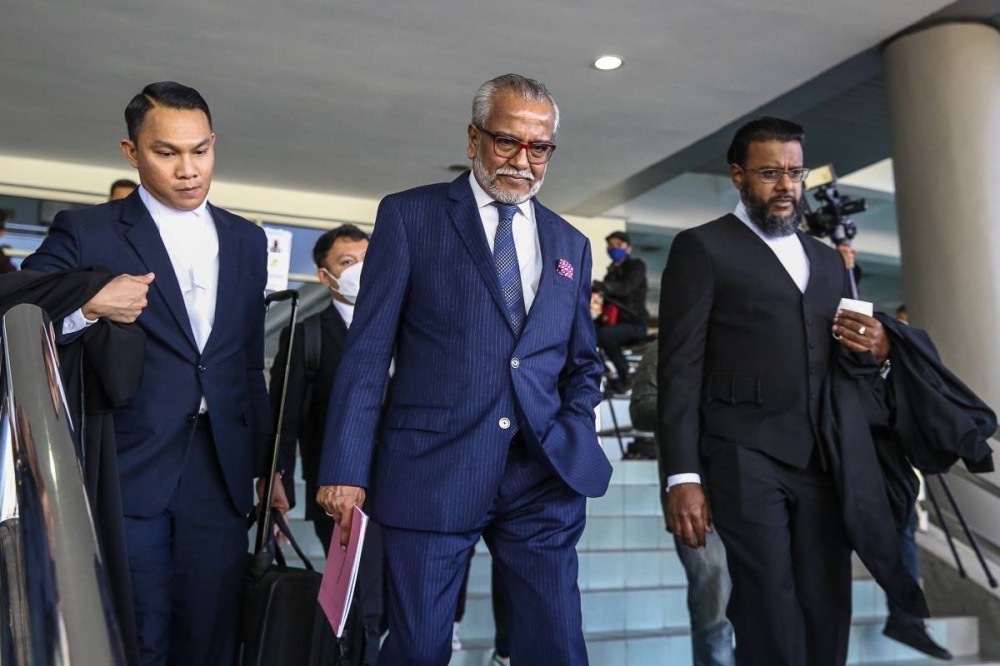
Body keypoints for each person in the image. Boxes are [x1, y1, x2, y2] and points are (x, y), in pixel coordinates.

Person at [316, 73, 612, 665]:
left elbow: (581, 363)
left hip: (541, 476)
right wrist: (346, 466)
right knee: (420, 650)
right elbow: (369, 352)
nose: (522, 162)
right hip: (433, 470)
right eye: (507, 142)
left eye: (539, 148)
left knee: (556, 647)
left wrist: (573, 428)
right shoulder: (409, 217)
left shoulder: (570, 244)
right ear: (474, 137)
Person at [23, 81, 281, 666]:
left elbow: (243, 361)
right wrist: (89, 302)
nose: (189, 169)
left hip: (220, 474)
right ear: (131, 152)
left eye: (201, 150)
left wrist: (269, 466)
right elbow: (21, 307)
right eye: (167, 153)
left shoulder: (247, 240)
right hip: (128, 467)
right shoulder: (88, 230)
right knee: (138, 634)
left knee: (212, 635)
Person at [657, 117, 895, 665]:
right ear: (739, 176)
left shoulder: (829, 261)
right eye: (770, 173)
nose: (787, 186)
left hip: (822, 460)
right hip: (741, 453)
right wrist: (682, 476)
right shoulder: (703, 248)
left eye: (795, 172)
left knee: (826, 601)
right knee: (767, 599)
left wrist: (880, 347)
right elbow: (680, 368)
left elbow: (845, 363)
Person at [269, 223, 384, 663]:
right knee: (363, 607)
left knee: (392, 604)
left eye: (367, 261)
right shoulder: (309, 334)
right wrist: (276, 478)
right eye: (347, 263)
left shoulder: (407, 326)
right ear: (324, 276)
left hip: (406, 487)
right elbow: (285, 414)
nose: (360, 271)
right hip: (342, 494)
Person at [630, 344, 734, 666]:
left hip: (749, 490)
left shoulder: (741, 340)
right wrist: (689, 404)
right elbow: (640, 411)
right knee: (712, 598)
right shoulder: (661, 350)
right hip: (693, 497)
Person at [592, 230, 648, 392]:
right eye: (610, 245)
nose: (614, 248)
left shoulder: (636, 266)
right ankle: (608, 373)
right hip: (613, 323)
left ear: (628, 248)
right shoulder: (611, 273)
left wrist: (602, 286)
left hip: (635, 324)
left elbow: (625, 287)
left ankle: (627, 373)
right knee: (584, 332)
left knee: (604, 335)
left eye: (618, 245)